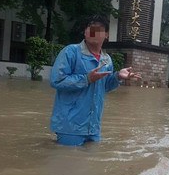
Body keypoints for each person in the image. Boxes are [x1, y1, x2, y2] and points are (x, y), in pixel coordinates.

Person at [50, 14, 141, 146]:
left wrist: (117, 77)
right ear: (85, 32)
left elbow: (104, 87)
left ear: (106, 34)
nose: (94, 32)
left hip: (93, 127)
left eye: (99, 29)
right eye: (90, 28)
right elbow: (57, 81)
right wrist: (86, 78)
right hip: (70, 126)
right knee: (67, 161)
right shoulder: (70, 52)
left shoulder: (106, 59)